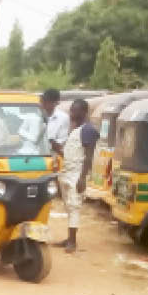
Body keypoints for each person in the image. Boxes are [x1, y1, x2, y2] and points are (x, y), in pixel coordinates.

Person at [57, 98, 99, 254]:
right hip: (67, 172)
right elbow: (72, 153)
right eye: (71, 110)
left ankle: (72, 242)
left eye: (75, 110)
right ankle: (69, 238)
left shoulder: (88, 130)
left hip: (76, 174)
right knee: (68, 206)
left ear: (84, 111)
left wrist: (82, 178)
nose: (72, 113)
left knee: (74, 206)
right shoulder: (75, 129)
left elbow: (88, 156)